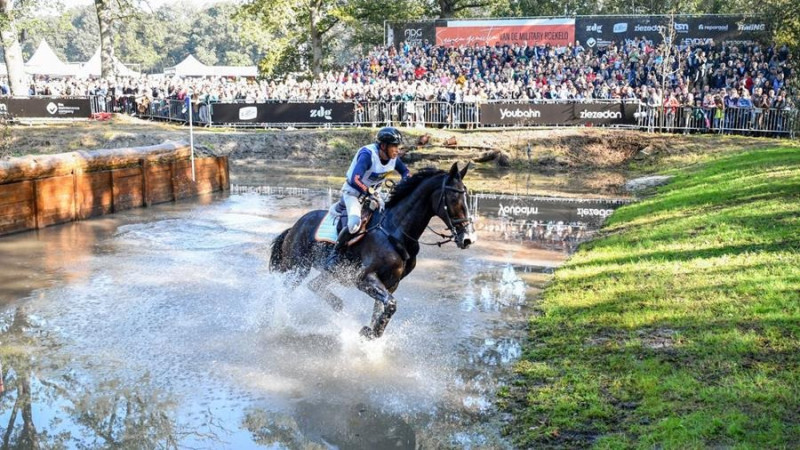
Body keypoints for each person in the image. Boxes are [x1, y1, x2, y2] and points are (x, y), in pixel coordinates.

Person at [325, 127, 410, 271]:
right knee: (354, 223)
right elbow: (355, 179)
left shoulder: (393, 158)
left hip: (375, 196)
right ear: (383, 146)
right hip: (353, 193)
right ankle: (335, 255)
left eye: (398, 146)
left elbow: (405, 172)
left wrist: (406, 184)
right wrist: (369, 193)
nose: (397, 150)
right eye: (394, 146)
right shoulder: (368, 154)